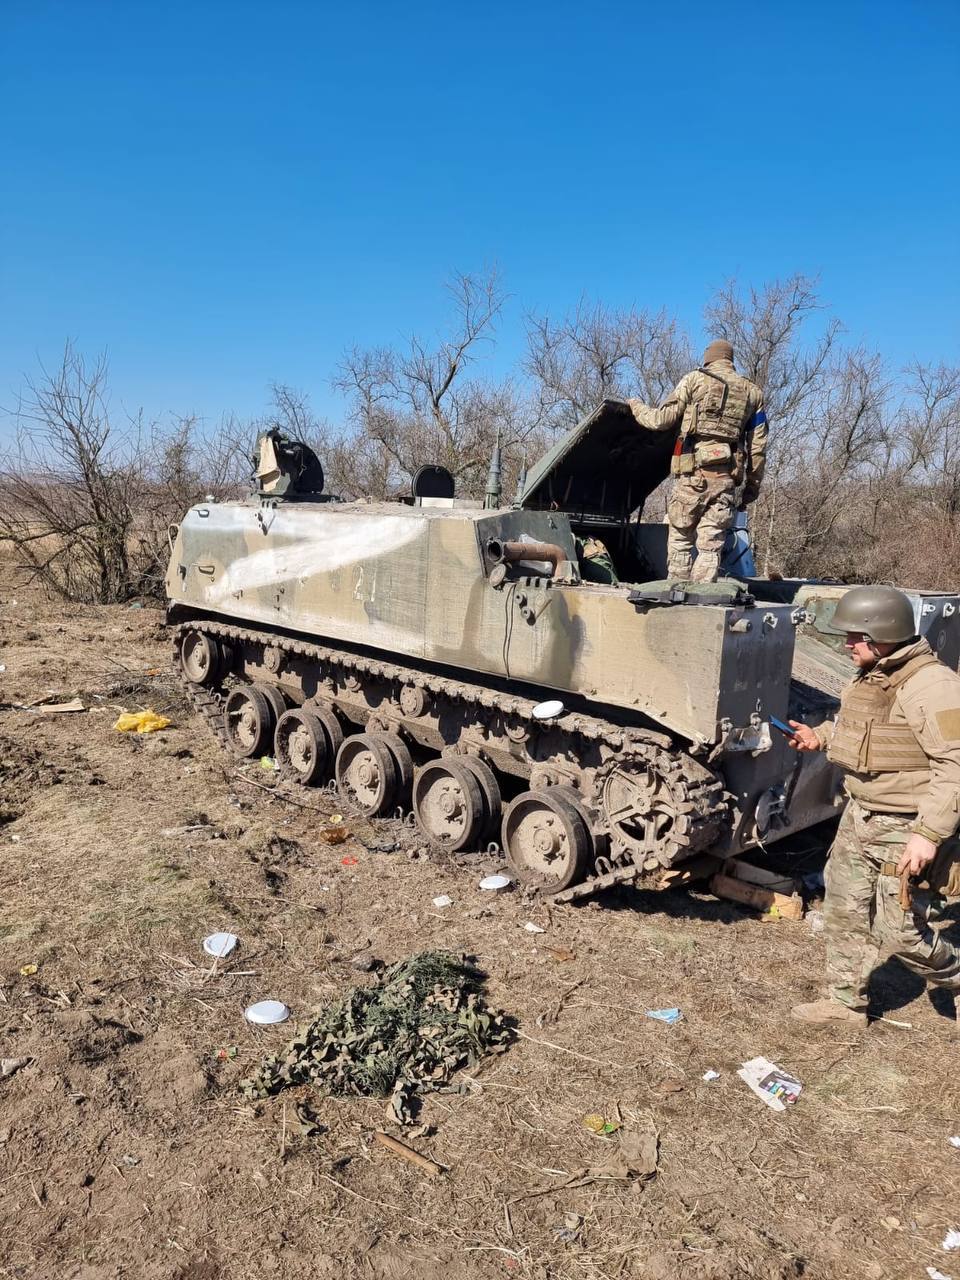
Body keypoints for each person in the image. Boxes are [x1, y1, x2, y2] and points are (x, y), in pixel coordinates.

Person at [787, 586, 960, 1027]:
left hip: (906, 826)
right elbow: (858, 728)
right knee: (844, 912)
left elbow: (956, 763)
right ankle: (844, 1002)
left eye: (855, 636)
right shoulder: (870, 675)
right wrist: (820, 737)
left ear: (884, 634)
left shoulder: (932, 685)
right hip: (859, 814)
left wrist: (929, 834)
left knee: (900, 932)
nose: (847, 644)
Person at [628, 340, 767, 583]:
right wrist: (751, 489)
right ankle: (704, 602)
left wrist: (636, 406)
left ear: (708, 359)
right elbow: (758, 447)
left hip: (693, 477)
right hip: (725, 482)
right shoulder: (753, 393)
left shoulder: (694, 380)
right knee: (711, 546)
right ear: (730, 360)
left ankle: (676, 597)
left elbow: (660, 420)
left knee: (681, 538)